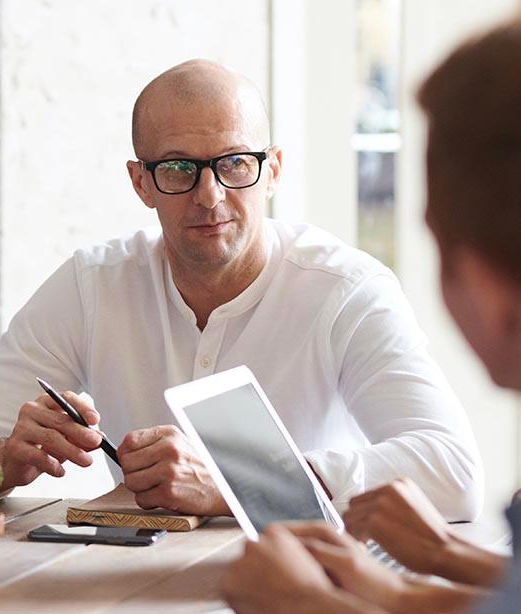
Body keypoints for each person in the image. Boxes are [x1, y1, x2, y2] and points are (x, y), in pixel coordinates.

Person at [0, 59, 483, 521]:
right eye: (180, 168)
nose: (209, 196)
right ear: (141, 183)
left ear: (274, 169)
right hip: (137, 584)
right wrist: (0, 460)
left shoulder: (346, 290)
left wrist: (241, 479)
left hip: (307, 589)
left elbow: (455, 475)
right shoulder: (94, 285)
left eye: (235, 163)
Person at [222, 18, 521, 613]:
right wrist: (434, 562)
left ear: (485, 288)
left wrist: (308, 604)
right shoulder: (97, 276)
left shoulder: (342, 283)